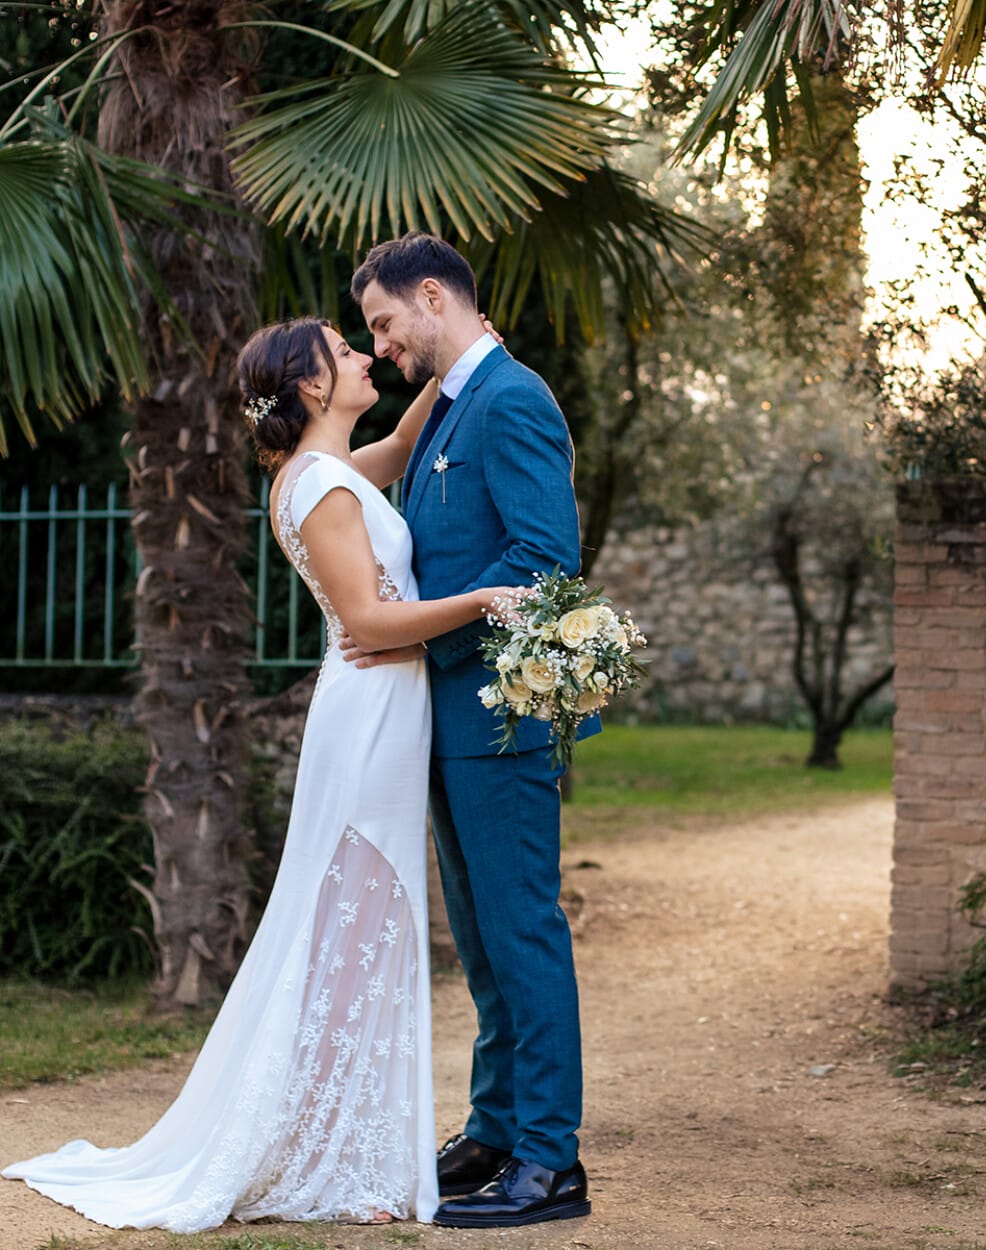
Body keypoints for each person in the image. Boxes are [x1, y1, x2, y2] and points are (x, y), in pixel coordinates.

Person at [3, 317, 521, 1231]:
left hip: (381, 716)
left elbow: (401, 446)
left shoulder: (322, 474)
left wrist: (463, 344)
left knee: (362, 927)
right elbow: (366, 622)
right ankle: (328, 1143)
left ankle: (340, 1132)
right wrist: (484, 598)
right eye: (347, 349)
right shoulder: (317, 485)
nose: (367, 355)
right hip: (369, 721)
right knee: (357, 926)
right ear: (314, 386)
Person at [342, 232, 596, 1229]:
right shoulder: (448, 404)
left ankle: (550, 1158)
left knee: (523, 927)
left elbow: (543, 567)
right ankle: (495, 1127)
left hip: (498, 716)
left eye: (386, 321)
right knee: (485, 939)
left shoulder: (515, 399)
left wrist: (424, 639)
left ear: (434, 296)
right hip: (440, 718)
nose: (386, 342)